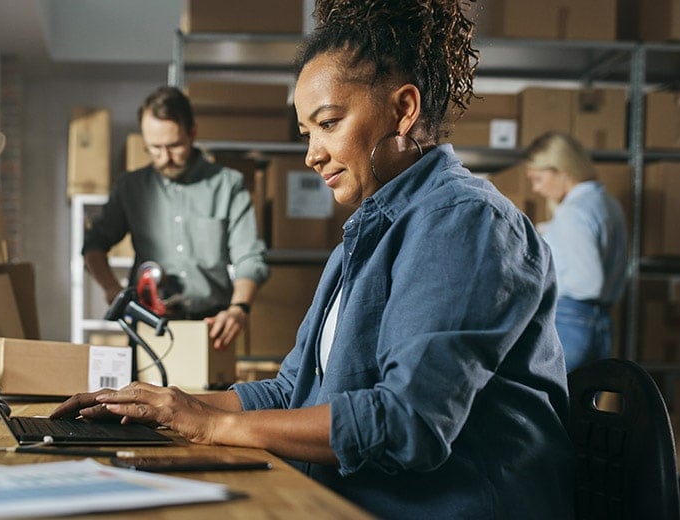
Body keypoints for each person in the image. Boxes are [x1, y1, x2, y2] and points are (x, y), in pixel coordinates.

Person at [54, 1, 575, 516]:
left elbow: (407, 423)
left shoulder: (465, 223)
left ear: (404, 109)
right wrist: (164, 404)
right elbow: (291, 390)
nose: (311, 154)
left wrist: (213, 425)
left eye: (328, 123)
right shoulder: (371, 229)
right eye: (307, 133)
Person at [82, 86, 269, 350]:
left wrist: (239, 308)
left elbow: (249, 257)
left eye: (174, 146)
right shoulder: (131, 187)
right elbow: (93, 245)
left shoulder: (228, 185)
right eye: (154, 148)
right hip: (147, 325)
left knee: (204, 393)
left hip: (211, 328)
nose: (165, 158)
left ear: (192, 133)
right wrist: (112, 289)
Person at [524, 132, 628, 372]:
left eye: (538, 178)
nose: (536, 189)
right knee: (584, 405)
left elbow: (588, 283)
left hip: (571, 320)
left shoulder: (573, 213)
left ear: (561, 170)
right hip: (600, 323)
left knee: (550, 404)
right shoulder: (608, 204)